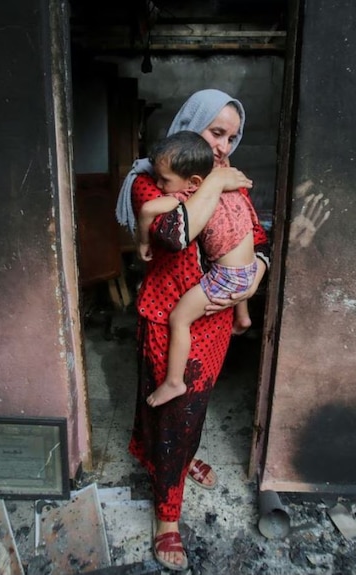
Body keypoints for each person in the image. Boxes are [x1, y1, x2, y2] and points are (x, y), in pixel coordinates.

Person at [115, 89, 270, 571]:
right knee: (172, 412)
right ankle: (166, 518)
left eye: (231, 137)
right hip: (167, 317)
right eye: (214, 132)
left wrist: (256, 272)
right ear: (188, 125)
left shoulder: (225, 181)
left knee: (189, 411)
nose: (223, 146)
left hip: (216, 318)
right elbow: (172, 233)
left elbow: (257, 239)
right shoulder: (150, 181)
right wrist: (217, 181)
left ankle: (174, 464)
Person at [136, 130, 259, 408]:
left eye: (164, 180)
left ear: (193, 181)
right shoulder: (228, 182)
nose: (157, 183)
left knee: (179, 318)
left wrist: (142, 240)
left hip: (228, 277)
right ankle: (243, 317)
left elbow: (148, 210)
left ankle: (174, 382)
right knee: (225, 262)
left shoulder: (191, 193)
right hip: (247, 270)